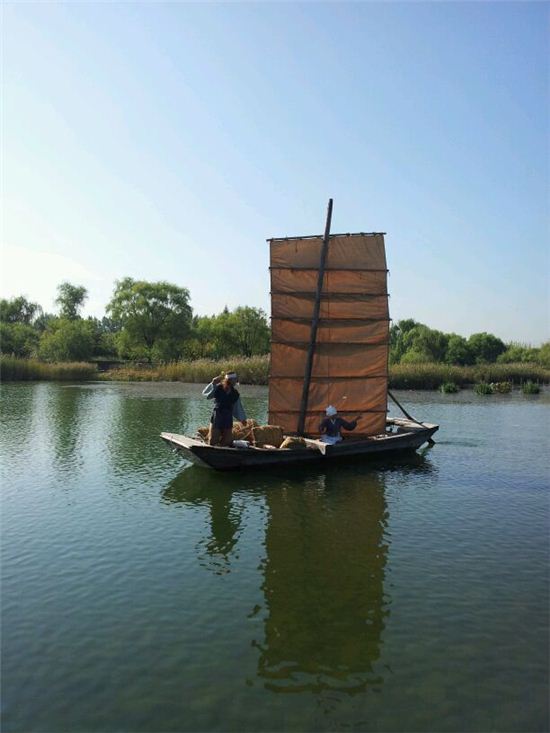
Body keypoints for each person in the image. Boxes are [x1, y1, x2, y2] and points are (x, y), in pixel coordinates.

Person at [202, 372, 247, 446]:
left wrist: (242, 419)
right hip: (218, 414)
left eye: (236, 379)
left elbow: (237, 407)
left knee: (227, 440)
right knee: (214, 438)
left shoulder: (235, 393)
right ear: (229, 380)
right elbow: (207, 396)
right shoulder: (219, 387)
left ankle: (223, 450)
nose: (236, 381)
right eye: (234, 380)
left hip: (228, 415)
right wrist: (213, 384)